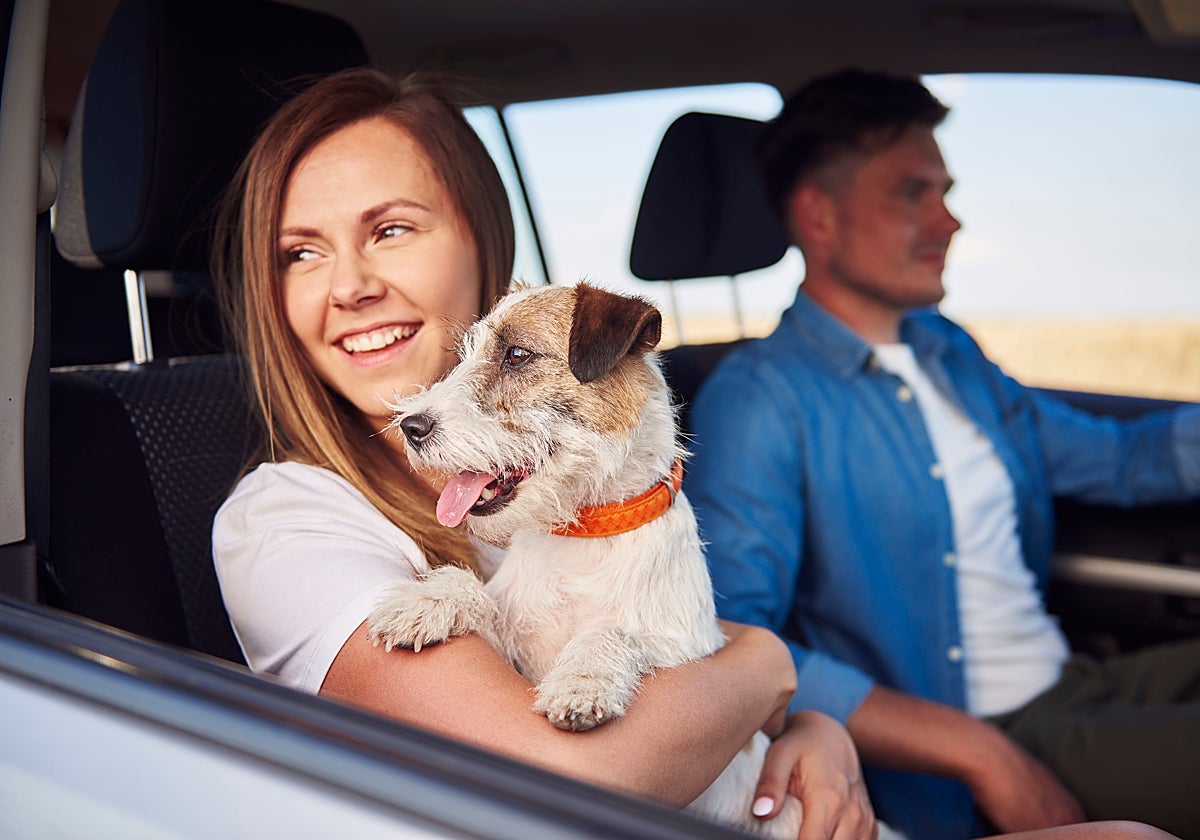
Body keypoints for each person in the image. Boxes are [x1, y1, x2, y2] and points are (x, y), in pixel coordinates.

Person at [208, 65, 882, 840]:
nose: (348, 286)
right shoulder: (286, 522)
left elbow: (674, 652)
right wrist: (767, 666)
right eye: (300, 252)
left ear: (481, 241)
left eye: (389, 229)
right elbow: (570, 779)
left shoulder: (558, 484)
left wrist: (810, 733)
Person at [684, 68, 1200, 840]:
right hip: (982, 738)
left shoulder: (948, 353)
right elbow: (729, 638)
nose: (948, 220)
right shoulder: (764, 399)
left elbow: (1120, 461)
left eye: (945, 191)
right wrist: (977, 752)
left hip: (1073, 683)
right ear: (818, 218)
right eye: (912, 194)